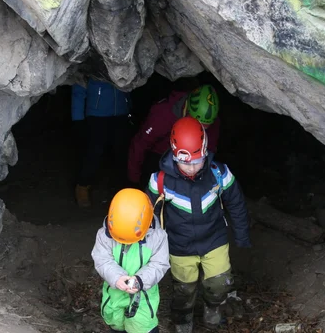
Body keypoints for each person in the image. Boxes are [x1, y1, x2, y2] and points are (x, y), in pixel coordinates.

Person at [146, 116, 251, 332]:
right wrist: (147, 249)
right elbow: (148, 216)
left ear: (205, 151)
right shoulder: (160, 181)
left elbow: (236, 203)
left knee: (220, 284)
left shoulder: (219, 174)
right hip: (179, 245)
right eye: (185, 162)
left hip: (214, 240)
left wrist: (241, 234)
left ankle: (213, 311)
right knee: (184, 290)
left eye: (197, 161)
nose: (191, 168)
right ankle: (183, 321)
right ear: (175, 156)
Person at [91, 188, 170, 333]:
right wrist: (117, 277)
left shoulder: (157, 237)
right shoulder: (104, 235)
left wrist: (141, 280)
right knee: (115, 323)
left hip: (144, 296)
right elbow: (102, 260)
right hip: (114, 294)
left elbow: (160, 264)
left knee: (142, 326)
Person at [127, 83, 220, 188]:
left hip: (192, 158)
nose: (201, 128)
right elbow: (141, 143)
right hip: (158, 155)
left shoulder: (212, 120)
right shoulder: (163, 114)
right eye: (198, 124)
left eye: (205, 127)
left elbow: (210, 150)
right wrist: (134, 179)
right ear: (188, 110)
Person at [73, 77, 132, 207]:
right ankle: (82, 186)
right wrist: (77, 119)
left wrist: (129, 107)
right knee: (94, 151)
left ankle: (123, 189)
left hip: (121, 114)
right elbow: (79, 88)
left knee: (121, 151)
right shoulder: (92, 64)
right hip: (97, 115)